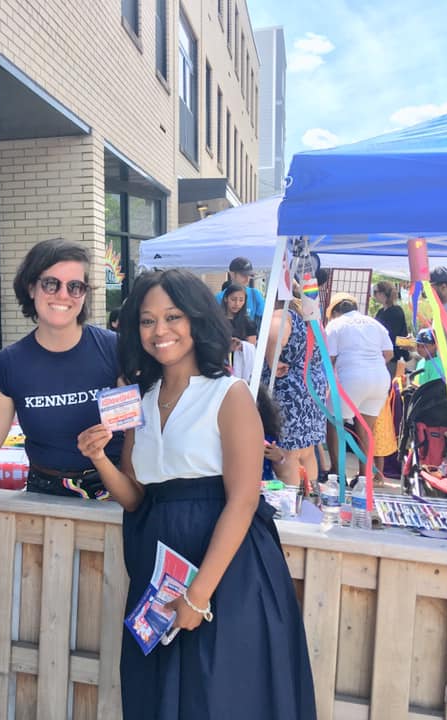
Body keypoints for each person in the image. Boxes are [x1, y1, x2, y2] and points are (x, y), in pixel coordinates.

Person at [76, 269, 316, 720]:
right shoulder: (141, 400)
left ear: (197, 320)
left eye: (173, 317)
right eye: (147, 320)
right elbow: (136, 495)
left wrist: (197, 595)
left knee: (220, 697)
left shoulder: (230, 393)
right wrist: (99, 458)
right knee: (158, 696)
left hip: (226, 571)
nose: (160, 330)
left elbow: (243, 499)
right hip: (158, 568)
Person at [0, 238, 122, 498]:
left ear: (85, 294)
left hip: (115, 492)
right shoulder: (10, 363)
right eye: (51, 284)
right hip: (45, 495)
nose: (63, 295)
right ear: (31, 288)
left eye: (75, 286)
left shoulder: (116, 349)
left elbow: (142, 428)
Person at [324, 292, 393, 484]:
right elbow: (388, 353)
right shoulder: (374, 323)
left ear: (335, 312)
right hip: (380, 378)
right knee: (366, 429)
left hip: (351, 376)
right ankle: (364, 477)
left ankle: (337, 473)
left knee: (335, 423)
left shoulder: (335, 325)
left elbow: (330, 358)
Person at [262, 296, 327, 485]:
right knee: (307, 451)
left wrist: (272, 360)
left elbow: (276, 334)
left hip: (289, 392)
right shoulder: (311, 320)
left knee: (288, 453)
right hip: (312, 389)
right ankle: (310, 495)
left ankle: (291, 498)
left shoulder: (284, 315)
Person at [215, 256, 265, 331]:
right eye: (243, 275)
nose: (247, 279)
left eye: (249, 275)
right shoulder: (219, 297)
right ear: (232, 274)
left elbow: (265, 320)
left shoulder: (255, 294)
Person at [373, 280, 409, 377]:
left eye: (375, 292)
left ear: (383, 293)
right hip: (383, 355)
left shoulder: (396, 311)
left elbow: (392, 336)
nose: (374, 295)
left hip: (394, 357)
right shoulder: (381, 311)